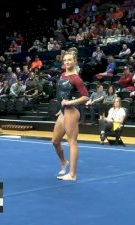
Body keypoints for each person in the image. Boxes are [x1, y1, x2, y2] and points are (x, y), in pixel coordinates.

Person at [52, 50, 89, 181]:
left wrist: (69, 102)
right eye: (65, 60)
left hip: (71, 112)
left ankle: (72, 174)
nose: (67, 62)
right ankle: (64, 162)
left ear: (74, 61)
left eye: (69, 60)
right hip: (63, 112)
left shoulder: (76, 78)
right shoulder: (63, 75)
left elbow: (85, 97)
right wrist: (61, 107)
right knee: (55, 141)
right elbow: (61, 94)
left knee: (71, 142)